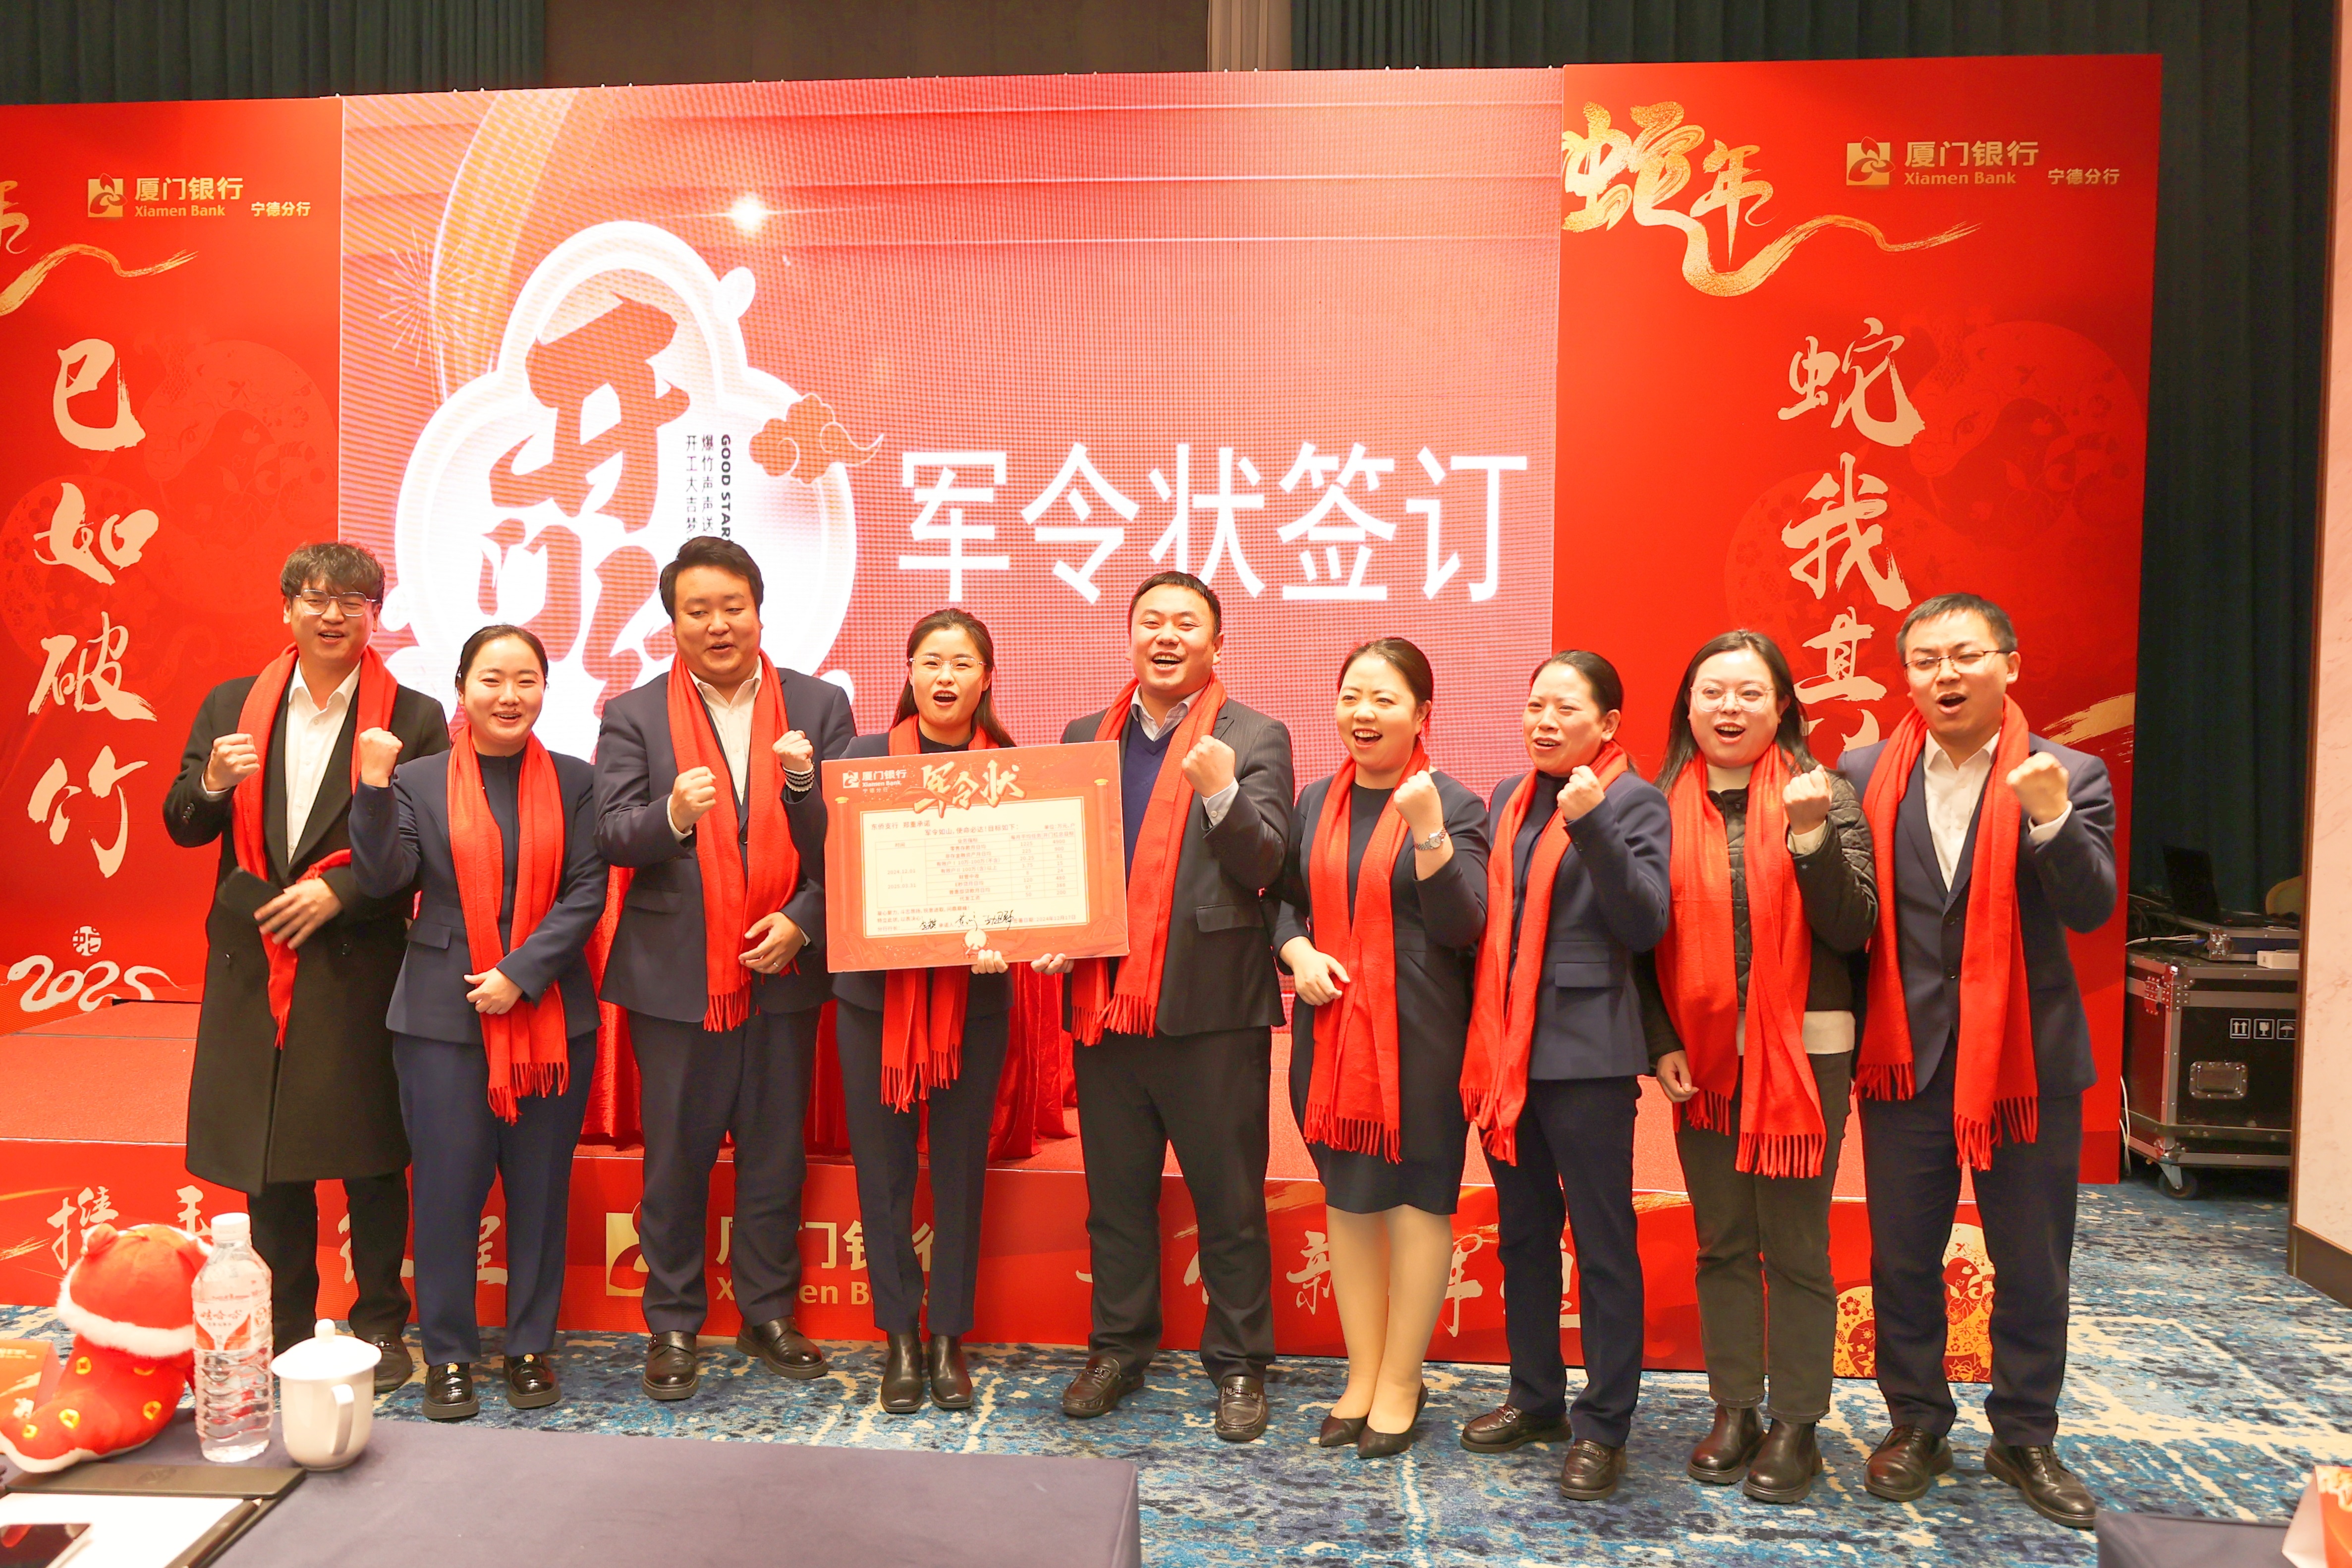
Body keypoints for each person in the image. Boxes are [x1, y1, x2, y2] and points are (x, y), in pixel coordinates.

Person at [1836, 592, 2115, 1531]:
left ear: (2009, 664)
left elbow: (2090, 908)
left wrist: (2051, 820)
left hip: (2025, 1063)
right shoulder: (1862, 772)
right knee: (1902, 1256)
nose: (1943, 675)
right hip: (1904, 1057)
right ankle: (1916, 1421)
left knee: (2031, 1260)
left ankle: (2024, 1434)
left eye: (1963, 655)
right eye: (1924, 661)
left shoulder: (2068, 773)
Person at [162, 542, 451, 1394]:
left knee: (371, 1156)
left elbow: (424, 849)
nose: (334, 615)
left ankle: (381, 1325)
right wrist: (213, 783)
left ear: (375, 616)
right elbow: (183, 824)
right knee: (271, 1159)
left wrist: (343, 894)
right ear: (286, 608)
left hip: (356, 961)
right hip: (256, 957)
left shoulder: (414, 718)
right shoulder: (232, 706)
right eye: (317, 599)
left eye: (353, 602)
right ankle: (285, 1329)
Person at [1032, 571, 1294, 1443]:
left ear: (1216, 643)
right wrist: (1053, 926)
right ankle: (1118, 1349)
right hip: (1105, 1009)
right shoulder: (1085, 737)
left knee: (1228, 1201)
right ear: (1131, 636)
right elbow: (1061, 863)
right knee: (1116, 1200)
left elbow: (1266, 865)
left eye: (1186, 623)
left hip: (1211, 1009)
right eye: (1151, 621)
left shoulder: (1253, 735)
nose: (1167, 635)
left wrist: (1221, 790)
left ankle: (1240, 1363)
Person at [593, 537, 855, 1401]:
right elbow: (611, 833)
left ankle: (767, 1311)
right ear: (672, 623)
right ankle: (672, 1322)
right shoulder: (633, 714)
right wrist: (669, 817)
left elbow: (845, 841)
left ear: (759, 612)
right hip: (678, 980)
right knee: (676, 1159)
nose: (717, 625)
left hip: (784, 971)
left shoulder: (818, 706)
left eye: (731, 607)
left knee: (774, 1155)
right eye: (697, 611)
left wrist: (803, 922)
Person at [1635, 631, 1877, 1503]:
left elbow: (1852, 927)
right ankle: (1734, 1408)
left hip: (1807, 1052)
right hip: (1701, 1060)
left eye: (1748, 693)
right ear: (1687, 707)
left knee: (1798, 1245)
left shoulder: (1825, 793)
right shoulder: (1655, 802)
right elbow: (1638, 941)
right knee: (1723, 1242)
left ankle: (1796, 1424)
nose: (1728, 708)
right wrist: (1659, 1038)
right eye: (1711, 693)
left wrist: (1811, 837)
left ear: (1781, 707)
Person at [348, 625, 607, 1419]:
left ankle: (529, 1347)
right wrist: (371, 788)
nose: (509, 696)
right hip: (442, 1018)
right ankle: (450, 1354)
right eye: (492, 679)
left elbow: (587, 892)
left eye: (526, 680)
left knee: (539, 1194)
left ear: (544, 691)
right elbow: (385, 879)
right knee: (447, 1194)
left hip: (550, 1015)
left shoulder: (577, 781)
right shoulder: (418, 780)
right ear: (462, 688)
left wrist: (519, 975)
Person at [1457, 650, 1670, 1502]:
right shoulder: (1509, 797)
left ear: (1607, 724)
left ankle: (1604, 1423)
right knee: (1522, 1235)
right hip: (1505, 1055)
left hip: (1586, 1055)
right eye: (1534, 706)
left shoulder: (1632, 800)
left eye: (1565, 710)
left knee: (1602, 1241)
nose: (1543, 723)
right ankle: (1535, 1396)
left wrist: (1593, 825)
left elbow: (1644, 923)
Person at [1273, 638, 1489, 1459]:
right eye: (1351, 697)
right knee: (1349, 1200)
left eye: (1384, 700)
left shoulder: (1455, 804)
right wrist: (1296, 952)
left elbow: (1464, 925)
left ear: (1421, 714)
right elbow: (1280, 904)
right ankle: (1361, 1374)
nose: (1363, 715)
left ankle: (1402, 1379)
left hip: (1421, 1038)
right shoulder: (1313, 800)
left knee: (1415, 1203)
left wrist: (1429, 834)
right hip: (1328, 1035)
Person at [809, 610, 1020, 1414]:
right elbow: (825, 862)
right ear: (908, 672)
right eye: (930, 661)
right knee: (884, 1172)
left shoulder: (1012, 769)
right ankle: (899, 1335)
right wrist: (799, 785)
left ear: (986, 678)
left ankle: (947, 1337)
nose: (945, 676)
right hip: (874, 1002)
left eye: (961, 663)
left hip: (975, 1000)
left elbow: (1034, 884)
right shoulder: (862, 763)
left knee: (961, 1173)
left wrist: (1014, 934)